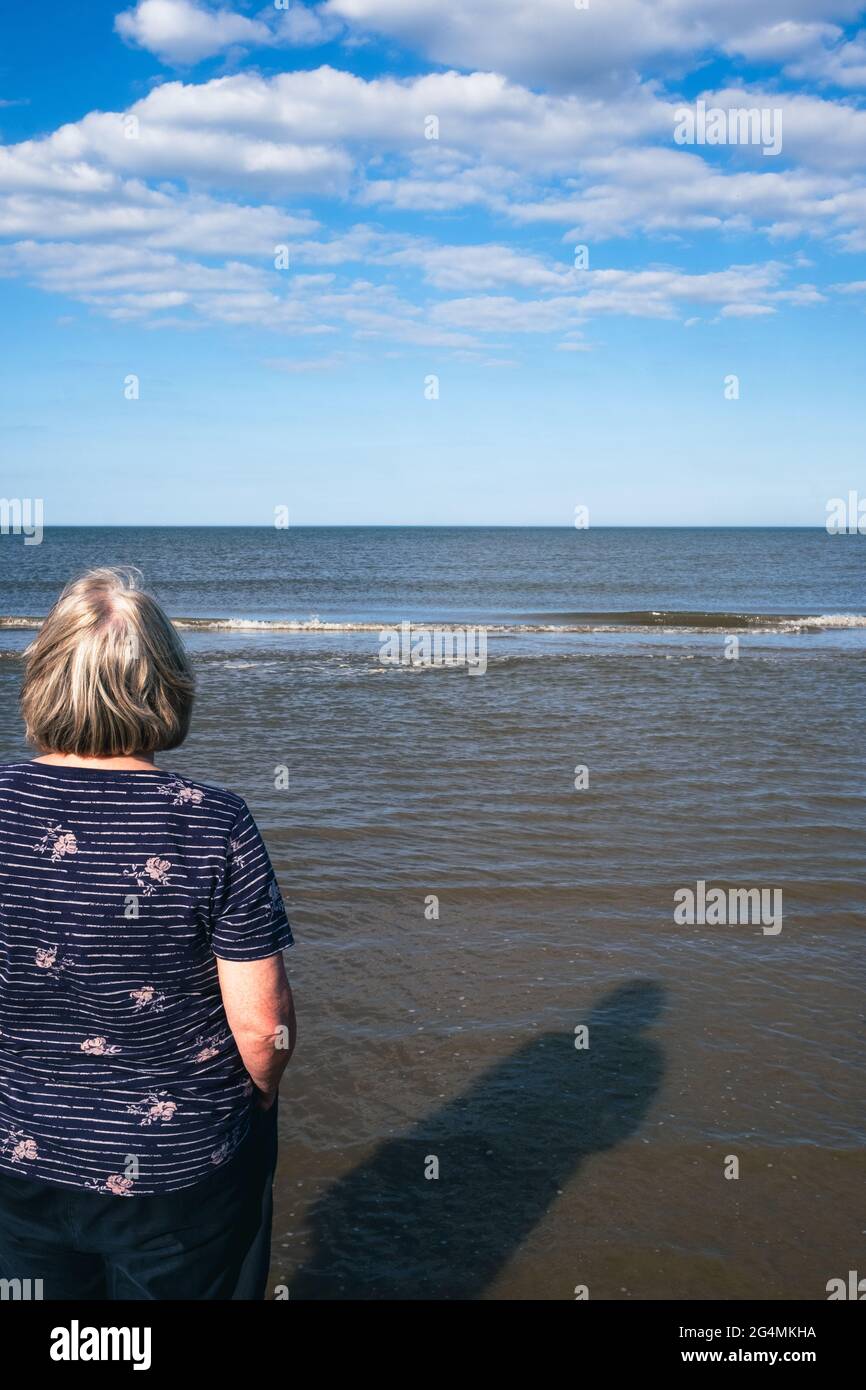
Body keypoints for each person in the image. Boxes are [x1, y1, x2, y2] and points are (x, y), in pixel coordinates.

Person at [0, 566, 295, 1299]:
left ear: (44, 677)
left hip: (15, 1151)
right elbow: (261, 1030)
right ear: (166, 684)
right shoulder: (213, 821)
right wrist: (259, 1101)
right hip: (175, 1163)